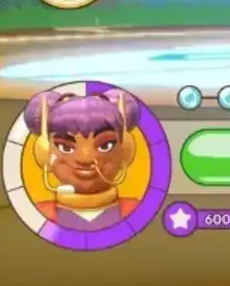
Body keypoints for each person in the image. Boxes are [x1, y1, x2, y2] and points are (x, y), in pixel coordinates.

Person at [23, 89, 142, 231]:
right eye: (65, 147)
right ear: (44, 153)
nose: (85, 159)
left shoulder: (135, 210)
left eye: (105, 145)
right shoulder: (40, 213)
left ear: (125, 151)